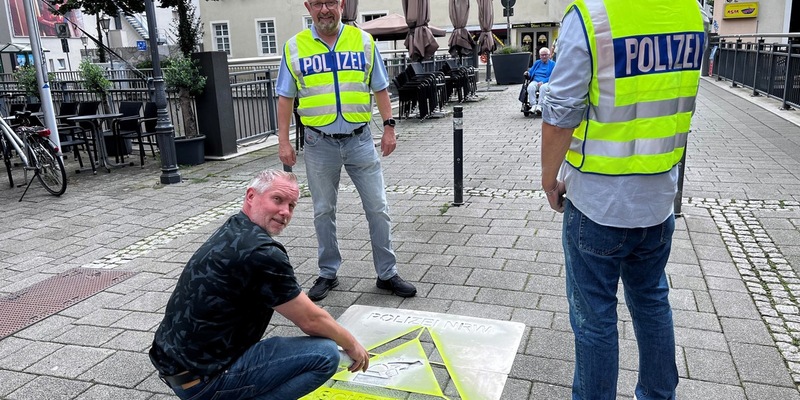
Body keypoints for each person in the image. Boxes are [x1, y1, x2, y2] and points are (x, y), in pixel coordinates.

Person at [539, 1, 704, 399]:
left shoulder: (592, 16)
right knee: (651, 303)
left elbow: (561, 111)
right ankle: (658, 394)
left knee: (594, 319)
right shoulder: (691, 12)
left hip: (599, 201)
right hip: (659, 198)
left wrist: (549, 181)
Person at [149, 170, 370, 400]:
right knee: (325, 354)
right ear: (251, 196)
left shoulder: (236, 226)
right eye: (277, 199)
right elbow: (311, 320)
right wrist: (352, 344)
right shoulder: (262, 253)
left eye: (292, 205)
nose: (285, 211)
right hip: (205, 381)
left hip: (177, 367)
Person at [276, 0, 417, 302]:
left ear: (341, 4)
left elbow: (380, 87)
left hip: (360, 139)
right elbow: (285, 97)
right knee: (323, 211)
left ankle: (387, 272)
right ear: (308, 7)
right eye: (317, 3)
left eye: (330, 2)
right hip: (318, 143)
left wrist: (389, 127)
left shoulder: (363, 41)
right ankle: (328, 271)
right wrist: (284, 141)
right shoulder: (294, 47)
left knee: (378, 207)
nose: (324, 9)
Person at [523, 47, 556, 113]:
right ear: (540, 56)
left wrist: (543, 82)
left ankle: (540, 106)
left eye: (545, 55)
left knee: (543, 88)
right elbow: (531, 72)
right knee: (530, 87)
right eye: (542, 55)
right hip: (535, 81)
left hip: (547, 82)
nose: (544, 56)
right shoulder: (537, 63)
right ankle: (534, 105)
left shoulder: (553, 64)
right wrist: (527, 74)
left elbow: (553, 76)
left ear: (549, 55)